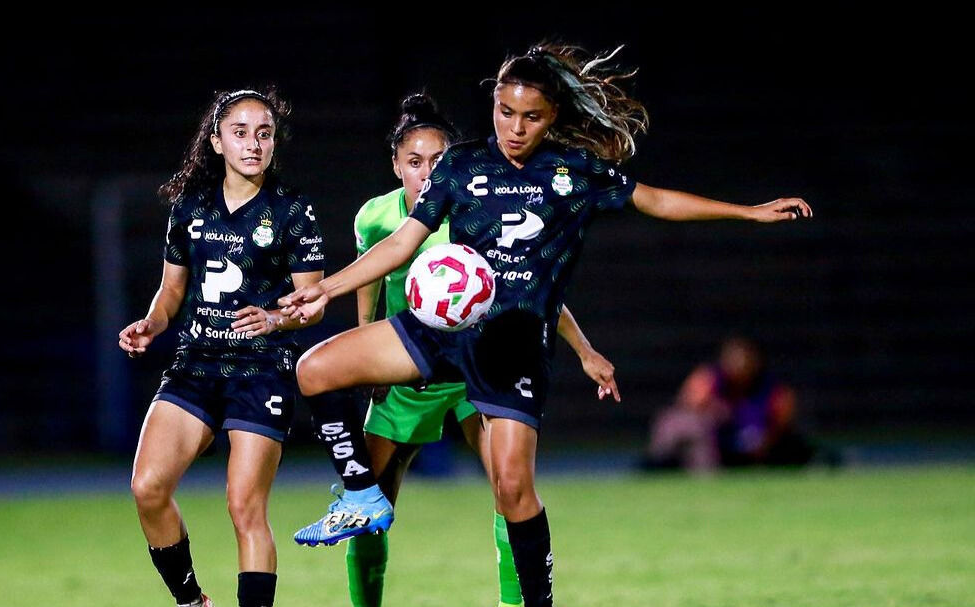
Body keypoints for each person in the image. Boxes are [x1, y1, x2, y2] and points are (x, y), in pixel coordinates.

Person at [279, 42, 813, 607]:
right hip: (442, 328)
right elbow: (405, 241)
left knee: (513, 491)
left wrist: (747, 212)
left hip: (511, 345)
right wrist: (325, 288)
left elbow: (654, 199)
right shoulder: (461, 164)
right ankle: (362, 493)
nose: (514, 127)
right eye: (504, 112)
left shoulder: (573, 173)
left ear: (552, 116)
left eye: (530, 117)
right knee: (315, 369)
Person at [348, 91, 619, 607]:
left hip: (479, 365)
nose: (426, 173)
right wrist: (367, 347)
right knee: (369, 509)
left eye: (436, 161)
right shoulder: (377, 218)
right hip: (412, 369)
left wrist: (584, 349)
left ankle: (515, 603)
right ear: (395, 165)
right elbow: (372, 282)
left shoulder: (475, 209)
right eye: (413, 162)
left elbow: (528, 290)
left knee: (509, 490)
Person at [118, 86, 327, 607]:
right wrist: (151, 322)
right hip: (196, 366)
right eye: (240, 133)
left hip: (262, 370)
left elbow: (314, 303)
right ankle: (193, 602)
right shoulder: (190, 209)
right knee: (147, 487)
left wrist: (276, 317)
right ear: (216, 142)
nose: (253, 144)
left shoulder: (293, 210)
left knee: (244, 509)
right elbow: (172, 291)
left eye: (264, 134)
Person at [644, 335, 817, 472]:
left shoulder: (770, 388)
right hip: (718, 445)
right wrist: (714, 410)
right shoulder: (710, 380)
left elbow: (784, 416)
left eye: (744, 360)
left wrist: (766, 441)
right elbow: (688, 404)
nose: (739, 366)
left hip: (761, 449)